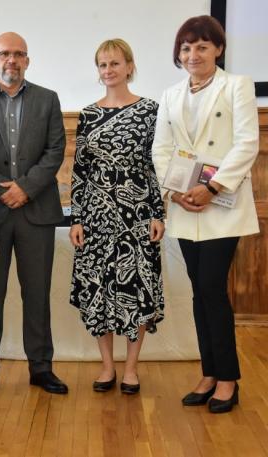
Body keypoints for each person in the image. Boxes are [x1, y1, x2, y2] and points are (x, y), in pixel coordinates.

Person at [152, 15, 259, 413]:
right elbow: (161, 148)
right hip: (185, 204)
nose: (193, 54)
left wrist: (212, 187)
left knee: (212, 288)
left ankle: (228, 378)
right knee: (199, 291)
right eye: (186, 48)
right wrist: (175, 191)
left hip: (221, 205)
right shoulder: (171, 94)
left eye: (201, 46)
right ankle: (209, 373)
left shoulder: (237, 86)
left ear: (218, 49)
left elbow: (247, 143)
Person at [0, 32, 67, 396]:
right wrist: (2, 190)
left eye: (19, 54)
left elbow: (55, 150)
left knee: (37, 293)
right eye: (5, 53)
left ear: (27, 61)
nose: (12, 60)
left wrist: (26, 188)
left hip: (37, 210)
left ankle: (41, 367)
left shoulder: (48, 99)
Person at [69, 39, 165, 395]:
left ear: (129, 66)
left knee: (136, 289)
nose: (108, 70)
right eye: (103, 64)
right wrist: (77, 218)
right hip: (95, 217)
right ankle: (107, 366)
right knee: (99, 290)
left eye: (115, 63)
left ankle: (131, 369)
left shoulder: (149, 110)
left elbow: (155, 165)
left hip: (137, 215)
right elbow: (80, 170)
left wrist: (157, 212)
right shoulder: (88, 114)